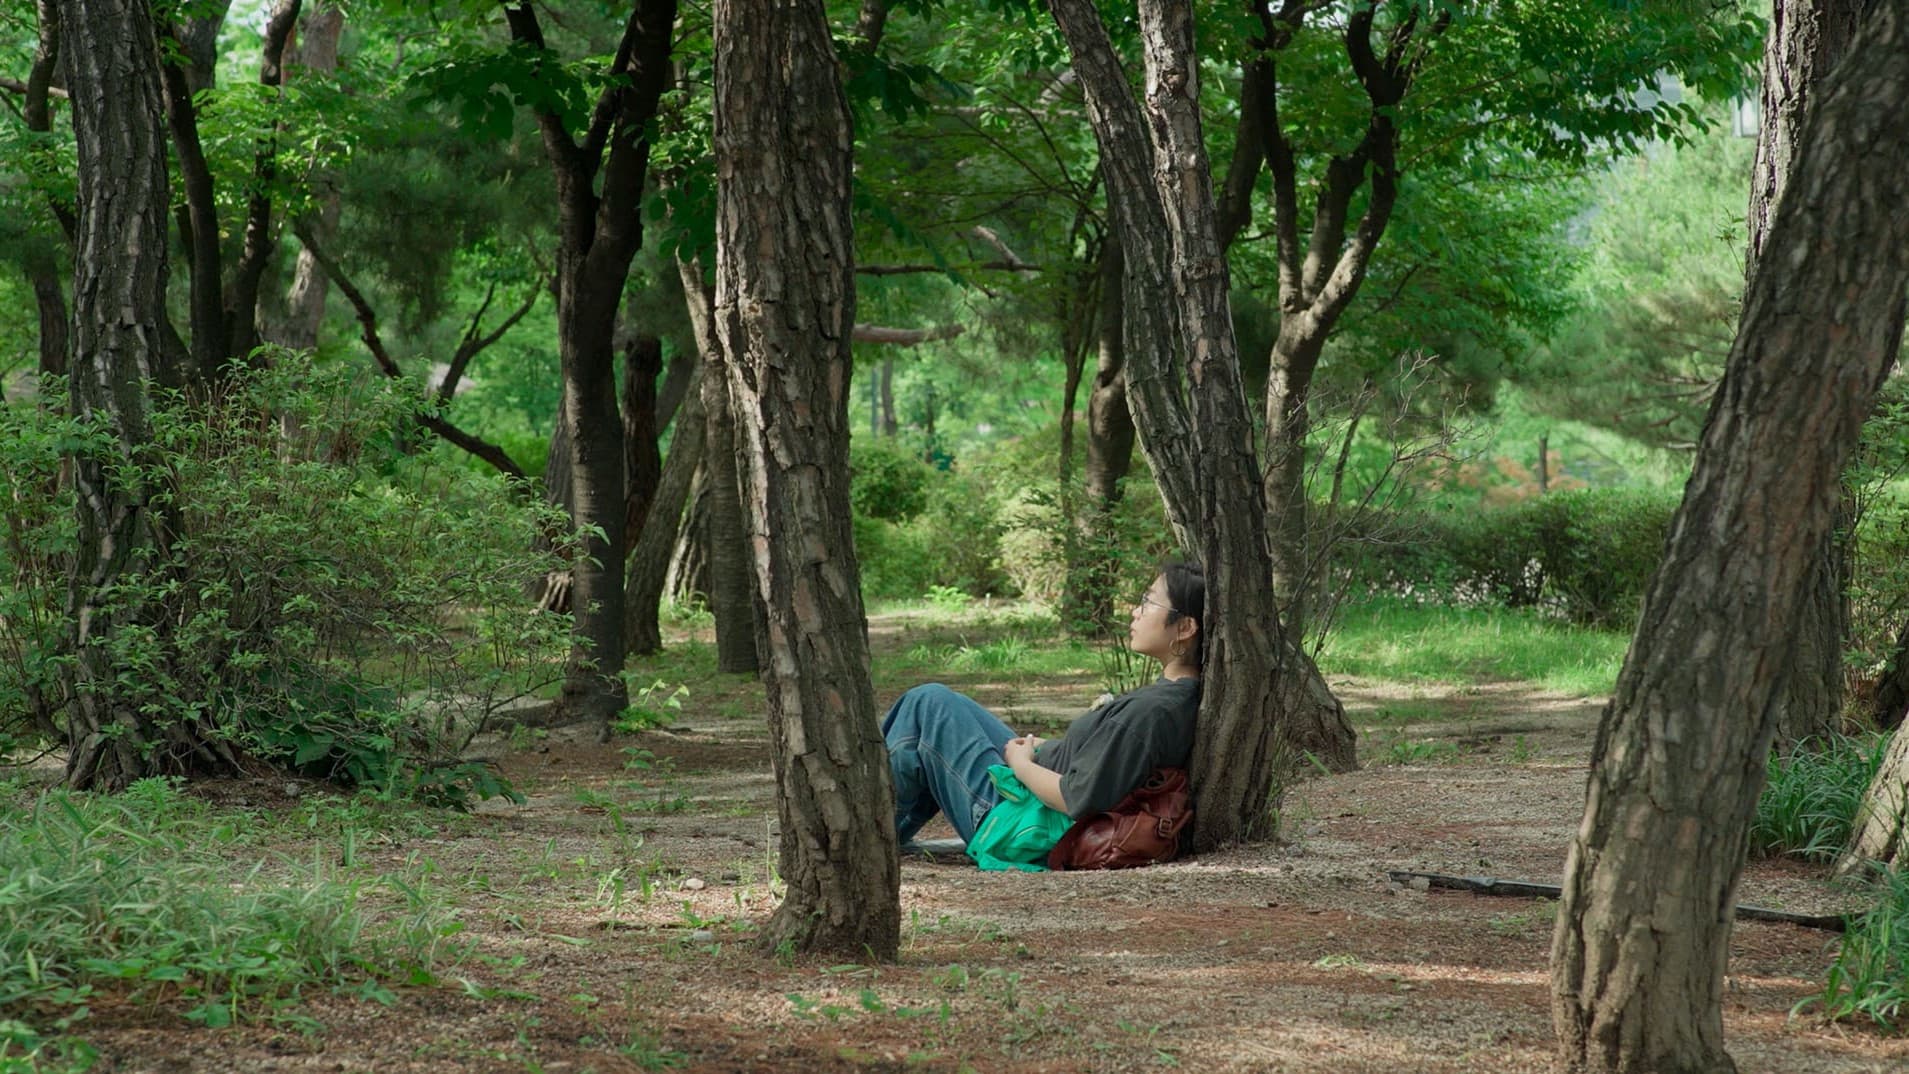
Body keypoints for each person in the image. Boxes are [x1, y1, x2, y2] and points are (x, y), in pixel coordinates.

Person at [881, 562, 1204, 859]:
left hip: (1024, 821)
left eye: (1148, 603)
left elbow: (1075, 798)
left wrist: (1021, 764)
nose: (1135, 612)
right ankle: (879, 830)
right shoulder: (1174, 696)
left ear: (1185, 627)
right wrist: (1044, 748)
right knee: (945, 705)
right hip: (1033, 796)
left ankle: (872, 834)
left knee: (927, 704)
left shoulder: (1152, 712)